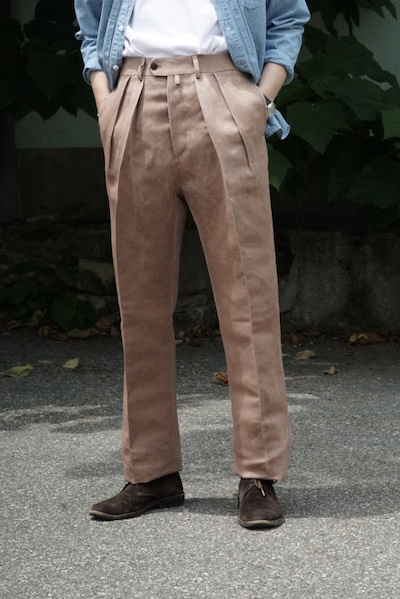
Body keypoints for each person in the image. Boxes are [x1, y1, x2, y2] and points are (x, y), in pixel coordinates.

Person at [74, 0, 310, 529]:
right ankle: (151, 473)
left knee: (248, 297)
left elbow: (288, 18)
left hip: (224, 94)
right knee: (140, 301)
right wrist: (106, 103)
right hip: (133, 98)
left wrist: (259, 99)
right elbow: (89, 26)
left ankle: (258, 475)